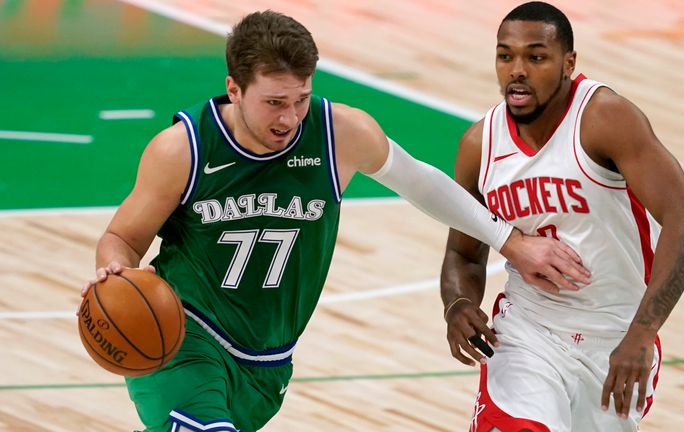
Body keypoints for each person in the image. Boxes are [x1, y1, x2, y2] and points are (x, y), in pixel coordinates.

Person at [80, 10, 591, 432]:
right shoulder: (185, 148)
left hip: (267, 363)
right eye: (274, 103)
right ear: (234, 89)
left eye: (300, 98)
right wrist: (115, 270)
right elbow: (122, 237)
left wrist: (510, 241)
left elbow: (423, 184)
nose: (289, 118)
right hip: (182, 343)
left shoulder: (336, 133)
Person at [440, 2, 684, 432]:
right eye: (505, 55)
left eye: (536, 56)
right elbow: (463, 250)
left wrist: (641, 334)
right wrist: (458, 304)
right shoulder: (480, 144)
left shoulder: (604, 118)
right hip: (528, 331)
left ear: (568, 63)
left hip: (616, 336)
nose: (517, 70)